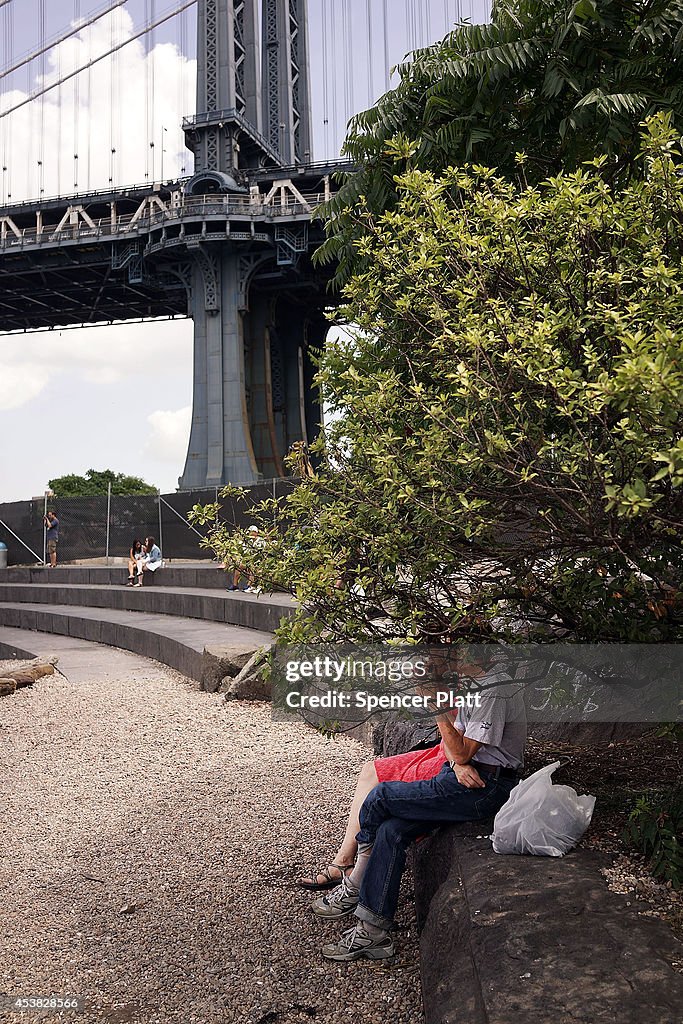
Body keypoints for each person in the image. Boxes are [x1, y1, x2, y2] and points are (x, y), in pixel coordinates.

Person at [308, 658, 527, 962]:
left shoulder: (495, 690)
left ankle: (356, 878)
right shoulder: (478, 684)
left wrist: (437, 708)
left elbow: (463, 749)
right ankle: (373, 933)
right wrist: (455, 764)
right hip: (464, 776)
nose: (450, 655)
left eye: (456, 648)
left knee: (381, 796)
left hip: (486, 787)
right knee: (391, 831)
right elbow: (455, 751)